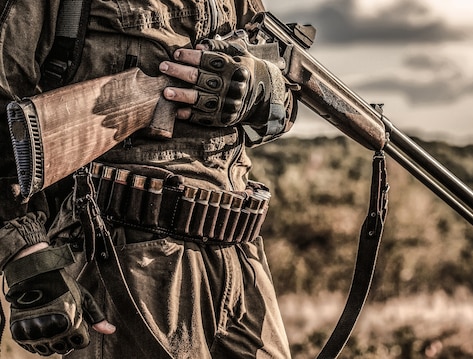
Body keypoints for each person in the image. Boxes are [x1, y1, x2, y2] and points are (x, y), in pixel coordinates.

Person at [0, 0, 296, 358]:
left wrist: (262, 92)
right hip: (125, 260)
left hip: (239, 252)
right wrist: (28, 260)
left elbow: (281, 97)